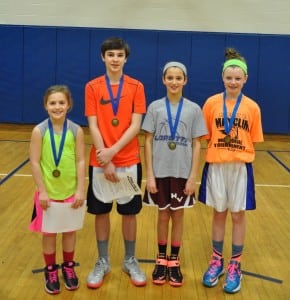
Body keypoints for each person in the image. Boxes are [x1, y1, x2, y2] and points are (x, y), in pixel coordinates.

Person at [198, 48, 264, 293]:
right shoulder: (212, 103)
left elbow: (253, 139)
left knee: (237, 215)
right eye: (229, 78)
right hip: (216, 165)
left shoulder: (253, 108)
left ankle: (236, 264)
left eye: (238, 78)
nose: (233, 82)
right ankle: (217, 261)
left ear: (245, 78)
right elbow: (205, 136)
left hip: (240, 168)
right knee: (218, 213)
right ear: (222, 78)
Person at [85, 37, 147, 288]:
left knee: (129, 213)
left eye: (119, 55)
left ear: (126, 58)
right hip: (100, 161)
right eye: (110, 54)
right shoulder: (92, 86)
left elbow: (136, 125)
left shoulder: (136, 86)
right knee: (101, 213)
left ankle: (130, 259)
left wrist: (114, 152)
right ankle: (103, 261)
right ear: (103, 57)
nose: (114, 59)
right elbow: (93, 124)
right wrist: (104, 157)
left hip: (128, 159)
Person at [142, 62, 208, 286]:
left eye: (178, 78)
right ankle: (161, 259)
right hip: (160, 172)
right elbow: (148, 140)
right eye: (170, 77)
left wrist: (192, 177)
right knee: (162, 215)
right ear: (163, 80)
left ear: (185, 81)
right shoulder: (155, 107)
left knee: (178, 216)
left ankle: (174, 260)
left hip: (182, 173)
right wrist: (149, 175)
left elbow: (197, 144)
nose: (174, 82)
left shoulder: (194, 109)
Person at [29, 85, 86, 294]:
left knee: (70, 232)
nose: (57, 107)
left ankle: (68, 267)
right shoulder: (39, 131)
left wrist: (81, 189)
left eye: (61, 102)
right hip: (49, 194)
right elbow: (34, 162)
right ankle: (51, 270)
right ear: (46, 106)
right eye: (53, 103)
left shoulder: (76, 130)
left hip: (71, 191)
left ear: (69, 105)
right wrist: (42, 190)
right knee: (50, 234)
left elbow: (81, 161)